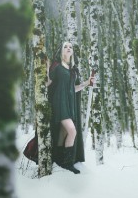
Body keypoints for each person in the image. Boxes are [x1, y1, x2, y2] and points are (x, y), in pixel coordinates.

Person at [48, 41, 94, 174]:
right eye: (65, 47)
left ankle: (57, 159)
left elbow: (73, 89)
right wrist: (45, 69)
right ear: (61, 51)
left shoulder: (72, 69)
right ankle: (68, 163)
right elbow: (48, 83)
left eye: (70, 47)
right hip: (59, 102)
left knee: (63, 133)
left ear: (72, 51)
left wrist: (87, 83)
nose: (68, 48)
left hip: (69, 103)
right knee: (72, 131)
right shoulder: (56, 66)